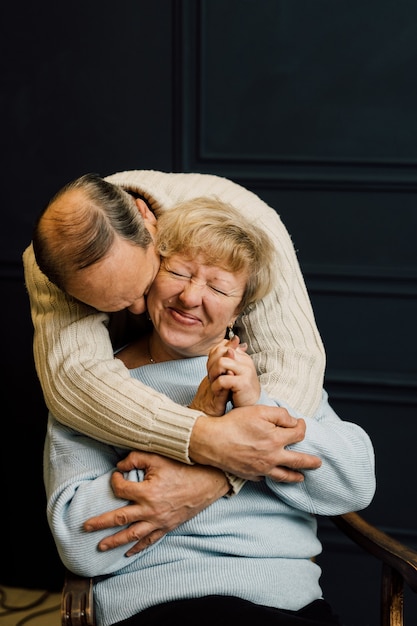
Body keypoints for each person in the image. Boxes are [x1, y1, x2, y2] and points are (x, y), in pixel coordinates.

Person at [44, 198, 376, 626]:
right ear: (148, 279)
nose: (191, 296)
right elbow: (78, 539)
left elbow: (355, 483)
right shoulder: (102, 389)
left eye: (218, 288)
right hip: (158, 605)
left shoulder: (274, 379)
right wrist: (194, 431)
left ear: (238, 310)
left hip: (286, 605)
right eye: (178, 273)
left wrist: (258, 411)